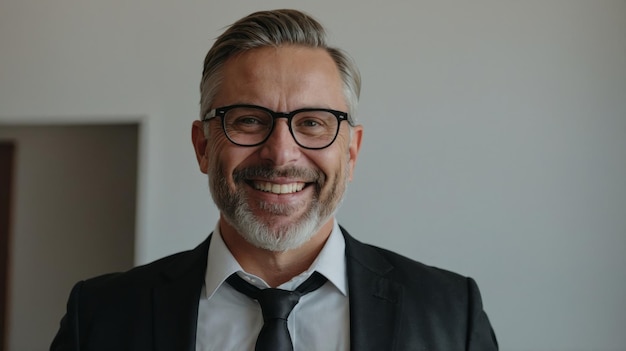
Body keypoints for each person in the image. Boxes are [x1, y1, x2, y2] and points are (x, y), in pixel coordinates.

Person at [50, 9, 498, 351]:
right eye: (247, 120)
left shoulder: (450, 313)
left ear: (352, 149)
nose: (281, 153)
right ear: (203, 146)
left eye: (313, 123)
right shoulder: (100, 316)